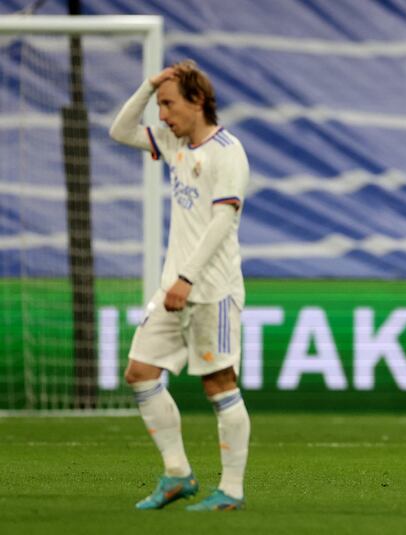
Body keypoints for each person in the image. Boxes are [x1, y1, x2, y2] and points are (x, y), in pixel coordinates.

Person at [109, 60, 251, 510]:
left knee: (219, 384)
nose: (162, 114)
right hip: (173, 288)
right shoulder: (173, 143)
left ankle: (230, 491)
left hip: (212, 290)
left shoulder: (228, 151)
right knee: (140, 372)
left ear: (198, 100)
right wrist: (151, 85)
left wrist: (187, 278)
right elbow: (120, 130)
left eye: (169, 104)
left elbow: (222, 221)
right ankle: (177, 474)